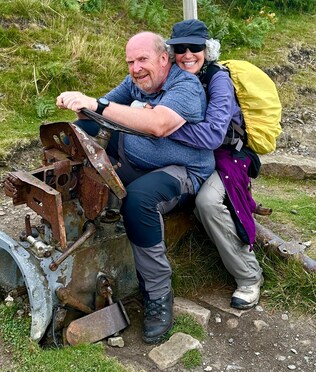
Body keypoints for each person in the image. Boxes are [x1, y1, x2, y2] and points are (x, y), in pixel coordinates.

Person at [56, 31, 216, 343]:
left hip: (181, 170)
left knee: (139, 200)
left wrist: (96, 105)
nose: (135, 68)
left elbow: (158, 125)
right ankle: (73, 212)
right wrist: (78, 108)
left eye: (142, 60)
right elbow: (98, 110)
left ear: (163, 59)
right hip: (136, 157)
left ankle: (158, 295)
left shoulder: (186, 86)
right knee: (80, 131)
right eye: (130, 62)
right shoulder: (136, 82)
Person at [165, 19, 264, 310]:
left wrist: (159, 126)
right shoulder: (172, 76)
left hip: (228, 155)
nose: (187, 54)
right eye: (179, 48)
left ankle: (249, 277)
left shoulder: (218, 79)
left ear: (207, 50)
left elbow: (213, 135)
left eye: (194, 47)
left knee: (207, 201)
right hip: (187, 152)